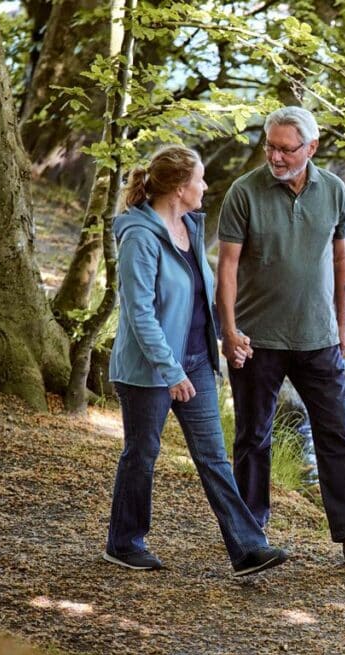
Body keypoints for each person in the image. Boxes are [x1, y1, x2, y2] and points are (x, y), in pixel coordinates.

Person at [216, 106, 345, 566]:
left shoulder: (333, 191)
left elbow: (339, 261)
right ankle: (250, 538)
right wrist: (229, 330)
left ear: (310, 148)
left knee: (336, 433)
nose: (274, 156)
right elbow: (228, 267)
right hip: (258, 339)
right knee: (253, 436)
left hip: (319, 337)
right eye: (270, 146)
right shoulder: (244, 193)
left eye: (285, 148)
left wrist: (342, 324)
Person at [103, 145, 288, 577]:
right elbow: (139, 313)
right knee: (142, 453)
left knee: (214, 457)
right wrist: (171, 372)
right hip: (150, 370)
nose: (206, 186)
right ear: (180, 187)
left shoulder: (188, 226)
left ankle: (246, 549)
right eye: (200, 180)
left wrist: (228, 335)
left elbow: (200, 298)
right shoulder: (139, 237)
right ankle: (124, 542)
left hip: (196, 361)